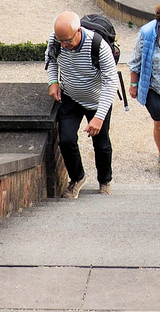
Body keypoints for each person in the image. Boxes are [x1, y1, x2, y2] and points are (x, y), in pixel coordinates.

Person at [46, 11, 118, 197]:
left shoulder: (98, 46)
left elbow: (111, 82)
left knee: (101, 144)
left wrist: (99, 117)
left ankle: (105, 181)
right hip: (70, 98)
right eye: (61, 41)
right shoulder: (56, 39)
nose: (64, 45)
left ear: (79, 31)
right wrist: (53, 81)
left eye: (68, 41)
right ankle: (77, 178)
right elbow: (51, 59)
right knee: (67, 140)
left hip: (97, 100)